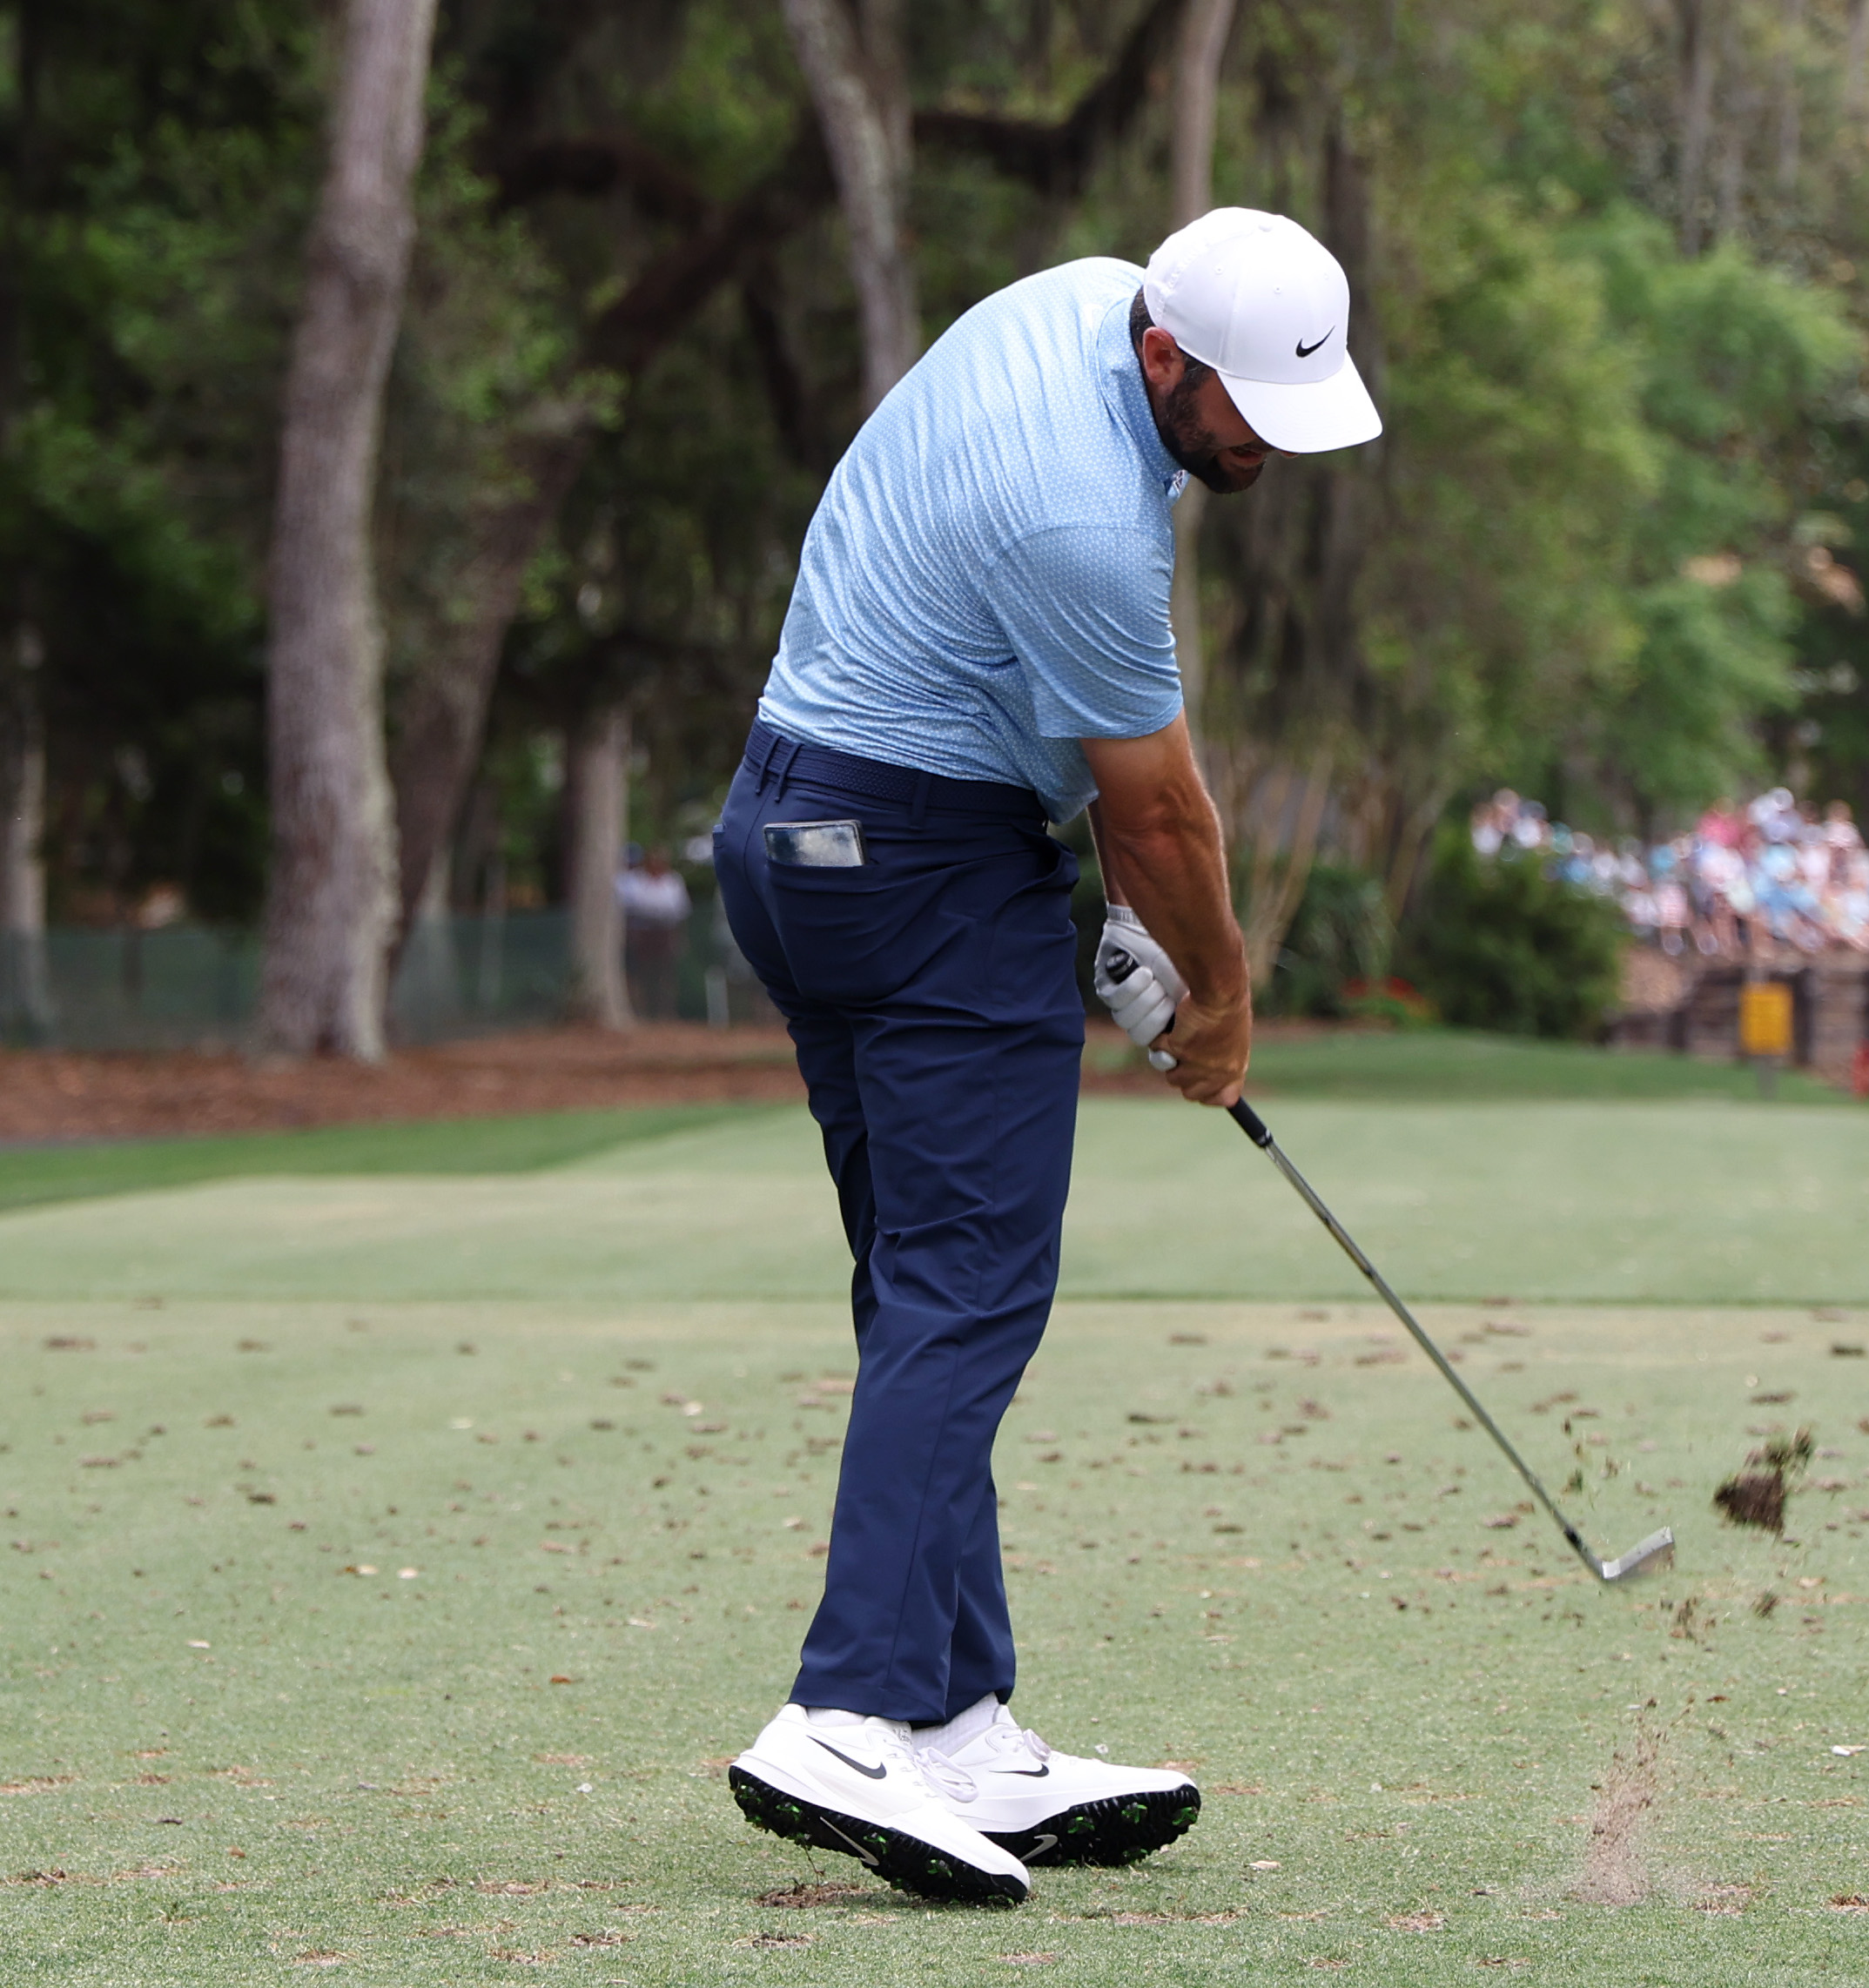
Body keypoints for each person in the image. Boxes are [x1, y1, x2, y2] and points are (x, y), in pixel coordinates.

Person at [709, 208, 1382, 1906]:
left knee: (921, 1284)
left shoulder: (1084, 299)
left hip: (789, 834)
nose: (1259, 450)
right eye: (1245, 412)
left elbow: (1080, 757)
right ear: (1169, 357)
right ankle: (848, 1703)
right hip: (922, 858)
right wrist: (1219, 1001)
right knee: (973, 1288)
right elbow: (1158, 810)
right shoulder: (1085, 509)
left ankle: (955, 1718)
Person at [615, 843, 691, 1021]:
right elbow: (629, 907)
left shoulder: (673, 881)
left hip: (665, 932)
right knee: (640, 975)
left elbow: (680, 911)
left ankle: (665, 1012)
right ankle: (641, 1012)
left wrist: (679, 937)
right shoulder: (635, 881)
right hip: (641, 932)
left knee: (665, 975)